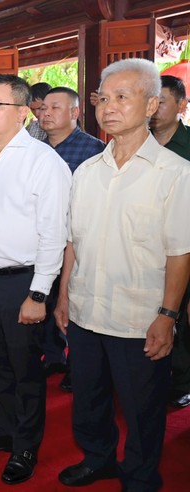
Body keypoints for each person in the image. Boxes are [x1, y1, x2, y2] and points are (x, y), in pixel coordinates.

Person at [54, 58, 190, 491]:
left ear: (151, 105)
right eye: (103, 98)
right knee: (89, 402)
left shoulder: (175, 174)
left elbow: (179, 253)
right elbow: (73, 241)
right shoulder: (87, 171)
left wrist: (168, 315)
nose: (108, 107)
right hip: (84, 309)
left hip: (138, 317)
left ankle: (140, 475)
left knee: (142, 407)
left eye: (122, 97)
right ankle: (97, 459)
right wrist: (62, 298)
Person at [0, 74, 71, 485]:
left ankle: (25, 445)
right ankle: (1, 430)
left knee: (25, 369)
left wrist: (39, 293)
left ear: (22, 113)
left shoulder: (43, 162)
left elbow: (54, 234)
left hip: (22, 283)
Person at [38, 87, 106, 392]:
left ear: (75, 113)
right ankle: (53, 356)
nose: (46, 114)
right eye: (42, 109)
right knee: (45, 300)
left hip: (75, 242)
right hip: (39, 240)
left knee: (72, 305)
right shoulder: (35, 149)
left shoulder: (93, 151)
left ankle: (78, 365)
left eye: (55, 107)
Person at [150, 75, 190, 409]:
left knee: (180, 315)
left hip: (183, 247)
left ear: (181, 105)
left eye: (162, 100)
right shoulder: (135, 144)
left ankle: (182, 379)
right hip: (145, 251)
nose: (155, 107)